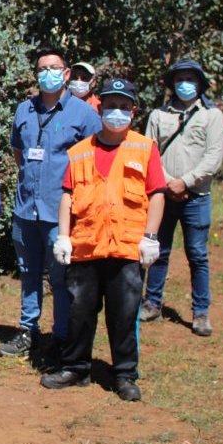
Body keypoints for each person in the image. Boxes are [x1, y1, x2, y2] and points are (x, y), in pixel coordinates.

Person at [42, 79, 166, 401]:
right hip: (86, 246)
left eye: (124, 107)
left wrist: (151, 237)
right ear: (100, 108)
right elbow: (68, 196)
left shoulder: (145, 148)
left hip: (126, 247)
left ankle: (124, 374)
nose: (117, 113)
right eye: (111, 106)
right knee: (80, 311)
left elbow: (156, 195)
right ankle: (76, 367)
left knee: (123, 313)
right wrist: (64, 236)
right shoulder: (80, 151)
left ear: (133, 112)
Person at [0, 47, 102, 358]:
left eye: (54, 68)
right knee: (28, 271)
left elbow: (95, 162)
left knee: (59, 276)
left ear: (67, 73)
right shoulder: (24, 110)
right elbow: (19, 151)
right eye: (42, 68)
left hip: (62, 212)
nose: (48, 73)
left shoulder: (85, 115)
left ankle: (60, 336)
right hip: (26, 207)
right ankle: (28, 330)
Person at [140, 59, 223, 336]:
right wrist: (168, 183)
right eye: (179, 79)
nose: (184, 84)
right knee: (158, 252)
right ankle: (152, 303)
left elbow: (213, 157)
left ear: (200, 83)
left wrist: (185, 182)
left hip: (196, 196)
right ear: (171, 84)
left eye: (190, 79)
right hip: (163, 195)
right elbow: (148, 152)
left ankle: (201, 313)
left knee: (197, 255)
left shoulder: (212, 116)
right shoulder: (158, 115)